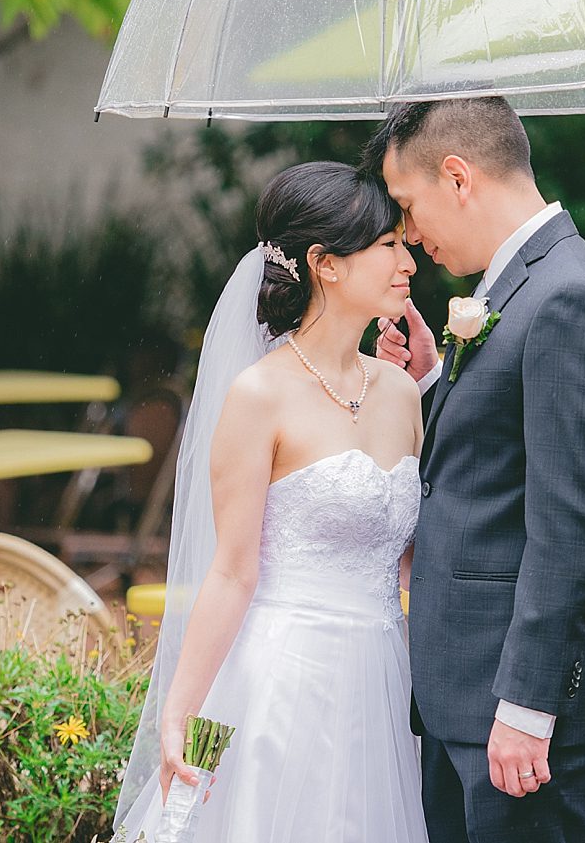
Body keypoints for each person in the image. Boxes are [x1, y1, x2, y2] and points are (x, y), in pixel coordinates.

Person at [111, 160, 430, 843]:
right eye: (388, 245)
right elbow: (231, 571)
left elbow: (412, 557)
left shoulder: (403, 392)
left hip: (381, 680)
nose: (409, 261)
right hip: (277, 682)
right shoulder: (259, 394)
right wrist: (180, 716)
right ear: (326, 264)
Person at [366, 97, 585, 843]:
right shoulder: (516, 284)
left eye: (408, 205)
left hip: (516, 716)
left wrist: (527, 707)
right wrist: (434, 383)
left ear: (457, 177)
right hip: (465, 697)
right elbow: (494, 463)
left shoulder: (572, 295)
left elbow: (574, 527)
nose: (410, 234)